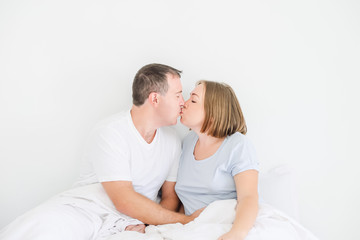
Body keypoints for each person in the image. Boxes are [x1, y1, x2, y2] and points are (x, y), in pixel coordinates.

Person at [0, 63, 202, 240]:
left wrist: (149, 225)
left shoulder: (172, 140)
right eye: (178, 95)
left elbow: (170, 197)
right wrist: (186, 221)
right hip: (85, 211)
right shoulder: (111, 131)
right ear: (155, 99)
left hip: (131, 222)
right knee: (42, 231)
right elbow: (124, 200)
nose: (182, 102)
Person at [175, 80, 259, 240]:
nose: (183, 104)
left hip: (226, 225)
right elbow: (184, 200)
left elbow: (248, 197)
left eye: (193, 100)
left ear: (213, 114)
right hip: (192, 228)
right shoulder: (187, 142)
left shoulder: (238, 145)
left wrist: (236, 234)